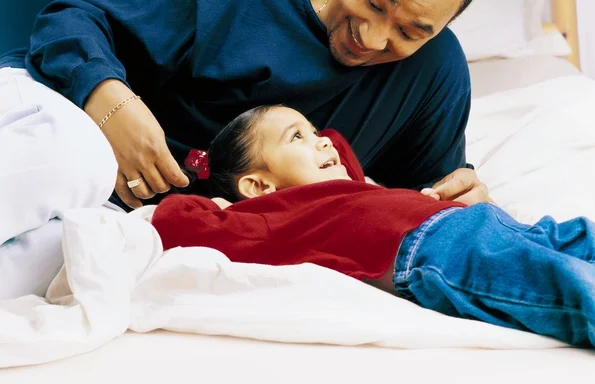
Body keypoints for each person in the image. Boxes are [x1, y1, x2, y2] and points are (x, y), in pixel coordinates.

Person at [0, 0, 487, 299]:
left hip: (126, 211)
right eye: (376, 2)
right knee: (79, 160)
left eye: (410, 31)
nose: (375, 38)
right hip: (53, 106)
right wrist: (112, 107)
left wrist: (464, 200)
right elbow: (68, 23)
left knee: (71, 265)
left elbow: (420, 199)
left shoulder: (434, 72)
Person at [152, 105, 595, 348]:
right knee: (563, 282)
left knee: (578, 236)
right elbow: (177, 220)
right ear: (259, 184)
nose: (322, 140)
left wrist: (310, 142)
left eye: (313, 130)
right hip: (432, 250)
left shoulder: (353, 186)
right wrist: (213, 193)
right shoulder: (269, 216)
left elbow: (339, 145)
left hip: (479, 221)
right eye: (297, 138)